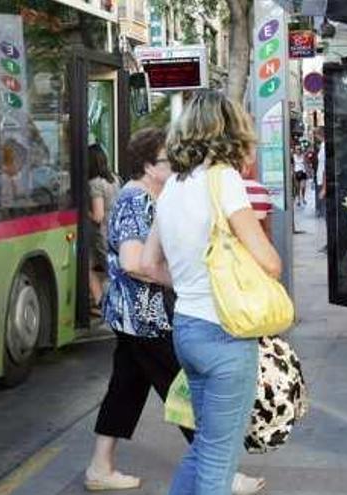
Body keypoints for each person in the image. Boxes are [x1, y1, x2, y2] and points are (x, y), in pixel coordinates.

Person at [84, 128, 265, 494]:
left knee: (126, 388)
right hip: (145, 316)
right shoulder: (136, 200)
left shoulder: (158, 195)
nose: (179, 165)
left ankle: (99, 466)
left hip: (139, 316)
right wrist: (186, 280)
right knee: (187, 394)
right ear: (149, 166)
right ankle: (221, 473)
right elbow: (135, 261)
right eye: (168, 160)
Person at [142, 91, 282, 494]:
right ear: (231, 130)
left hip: (186, 327)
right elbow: (270, 262)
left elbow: (149, 264)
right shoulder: (225, 181)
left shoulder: (173, 187)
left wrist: (191, 282)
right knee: (219, 460)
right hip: (225, 333)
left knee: (206, 447)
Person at [87, 144, 120, 315]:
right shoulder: (114, 179)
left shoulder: (94, 184)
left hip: (102, 235)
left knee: (93, 269)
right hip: (116, 233)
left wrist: (83, 212)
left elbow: (98, 216)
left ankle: (103, 304)